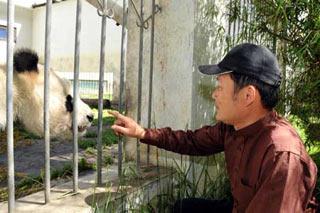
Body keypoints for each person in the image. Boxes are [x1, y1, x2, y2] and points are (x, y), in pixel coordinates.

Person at [109, 43, 318, 212]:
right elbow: (191, 141)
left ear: (248, 95)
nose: (214, 94)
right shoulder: (233, 127)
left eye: (220, 86)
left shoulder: (282, 155)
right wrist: (142, 132)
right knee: (185, 209)